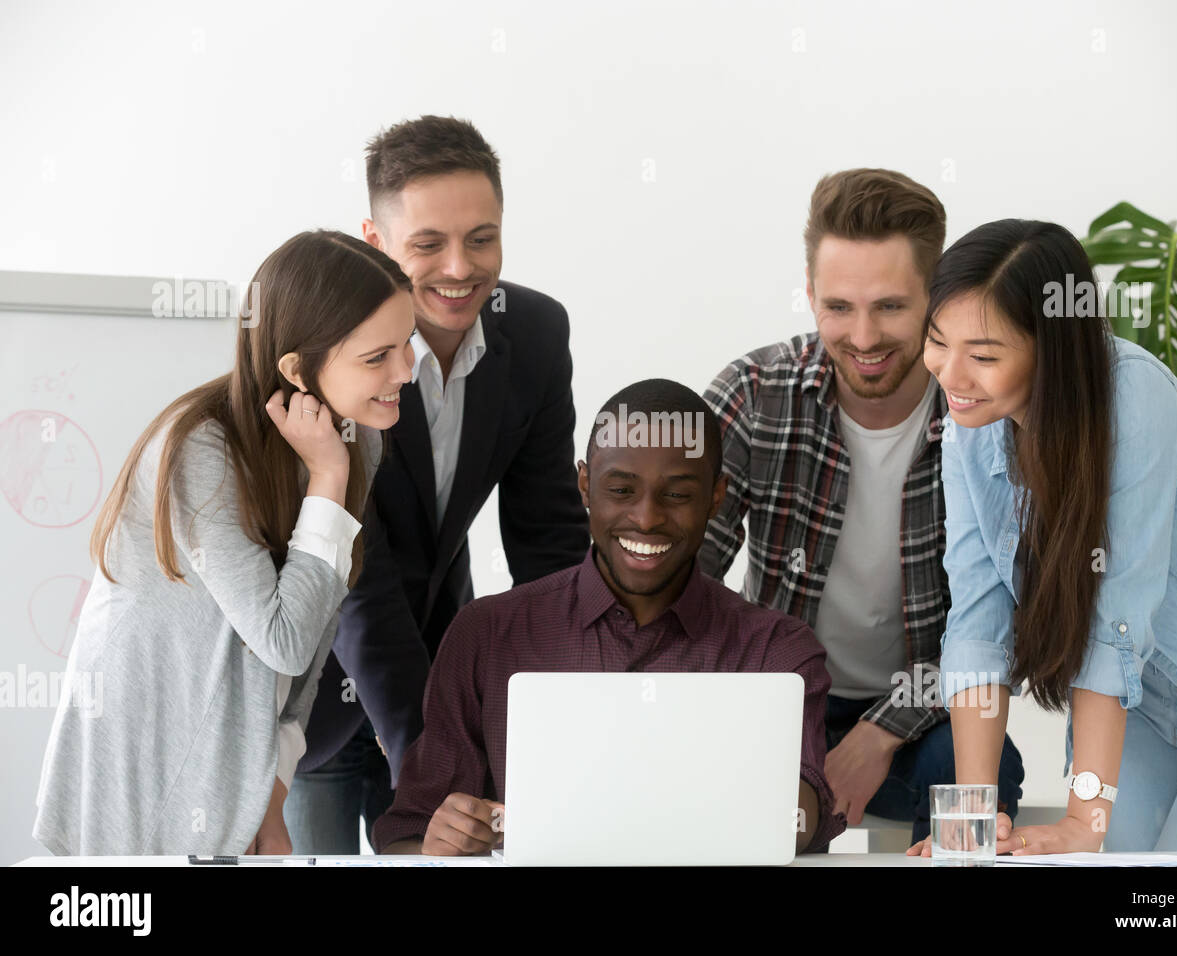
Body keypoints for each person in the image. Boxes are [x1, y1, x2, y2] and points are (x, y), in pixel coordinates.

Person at [908, 219, 1177, 856]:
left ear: (1051, 348)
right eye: (936, 341)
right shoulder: (969, 423)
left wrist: (1082, 819)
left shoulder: (1133, 399)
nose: (951, 375)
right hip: (1145, 711)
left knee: (1175, 914)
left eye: (983, 355)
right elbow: (978, 618)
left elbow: (1112, 620)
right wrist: (972, 814)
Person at [32, 230, 415, 854]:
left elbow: (314, 642)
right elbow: (283, 639)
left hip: (231, 764)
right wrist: (327, 478)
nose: (405, 372)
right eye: (378, 357)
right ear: (297, 369)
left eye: (409, 344)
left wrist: (273, 790)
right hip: (141, 762)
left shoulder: (355, 441)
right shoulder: (200, 451)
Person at [371, 380, 848, 855]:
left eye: (678, 495)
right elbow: (407, 835)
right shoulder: (486, 635)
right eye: (621, 489)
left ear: (716, 498)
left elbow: (801, 813)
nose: (646, 519)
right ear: (584, 486)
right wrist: (444, 841)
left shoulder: (777, 650)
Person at [283, 116, 590, 854]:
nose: (460, 267)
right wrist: (434, 763)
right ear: (375, 240)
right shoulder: (335, 349)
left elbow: (547, 542)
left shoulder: (536, 334)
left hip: (442, 673)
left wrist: (569, 718)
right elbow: (362, 580)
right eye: (427, 244)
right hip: (316, 685)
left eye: (481, 237)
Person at [698, 168, 1023, 843]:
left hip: (924, 706)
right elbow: (680, 580)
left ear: (937, 298)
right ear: (810, 294)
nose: (865, 337)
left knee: (982, 772)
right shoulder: (756, 394)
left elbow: (1004, 625)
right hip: (776, 698)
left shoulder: (987, 414)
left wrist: (881, 732)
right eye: (839, 307)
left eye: (891, 307)